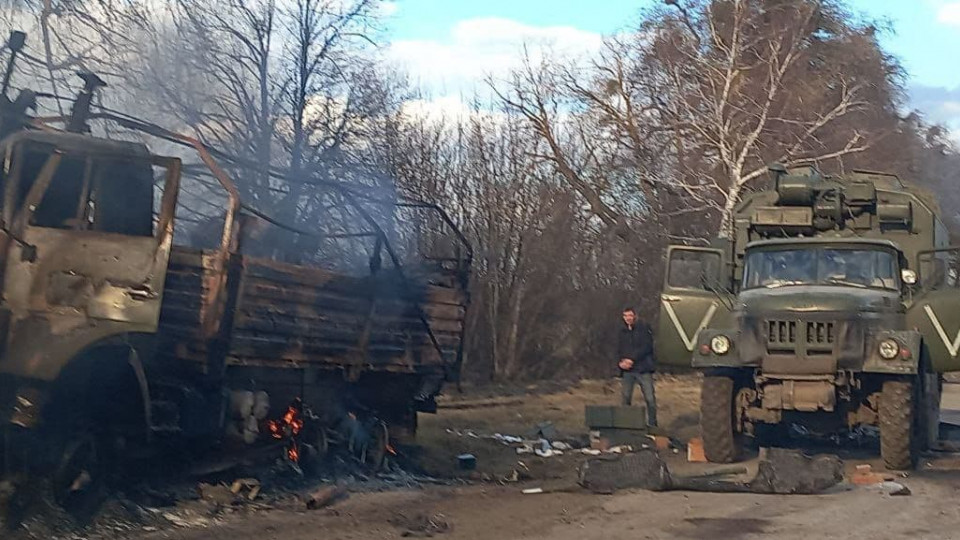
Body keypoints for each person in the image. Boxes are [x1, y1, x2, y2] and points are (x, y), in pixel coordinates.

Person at [617, 306, 657, 427]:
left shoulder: (644, 328)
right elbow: (618, 349)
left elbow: (647, 347)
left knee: (650, 399)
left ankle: (652, 424)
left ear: (635, 316)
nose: (628, 318)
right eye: (625, 316)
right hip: (628, 371)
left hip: (643, 369)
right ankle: (626, 424)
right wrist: (620, 363)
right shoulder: (621, 332)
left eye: (630, 315)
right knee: (626, 398)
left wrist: (632, 359)